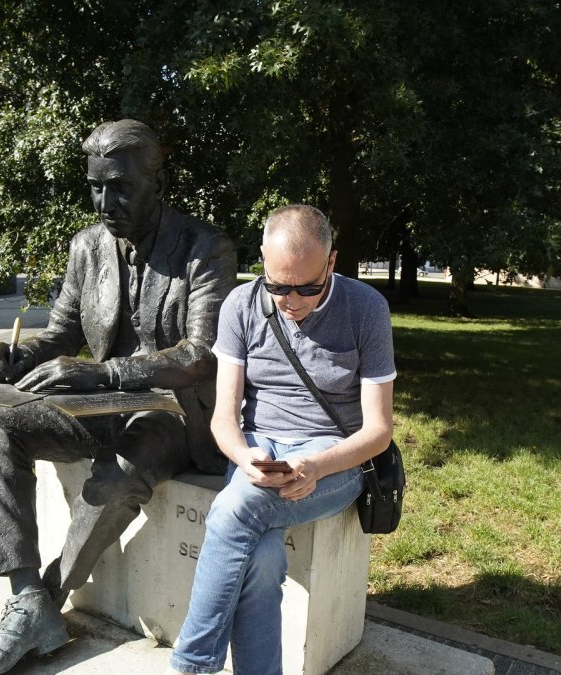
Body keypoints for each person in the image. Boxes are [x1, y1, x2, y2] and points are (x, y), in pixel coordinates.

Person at [0, 119, 236, 675]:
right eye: (95, 186)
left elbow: (201, 355)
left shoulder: (205, 248)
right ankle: (25, 599)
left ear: (157, 185)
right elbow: (61, 334)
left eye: (121, 187)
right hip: (98, 407)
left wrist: (103, 374)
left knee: (115, 477)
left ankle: (47, 598)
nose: (105, 201)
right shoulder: (87, 246)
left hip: (173, 413)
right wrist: (18, 357)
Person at [167, 205, 396, 675]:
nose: (291, 301)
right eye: (277, 286)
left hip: (333, 456)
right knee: (263, 558)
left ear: (332, 262)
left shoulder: (366, 309)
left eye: (307, 287)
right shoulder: (240, 305)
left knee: (237, 510)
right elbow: (224, 419)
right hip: (259, 450)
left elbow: (377, 431)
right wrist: (243, 455)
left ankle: (191, 666)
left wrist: (317, 466)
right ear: (263, 266)